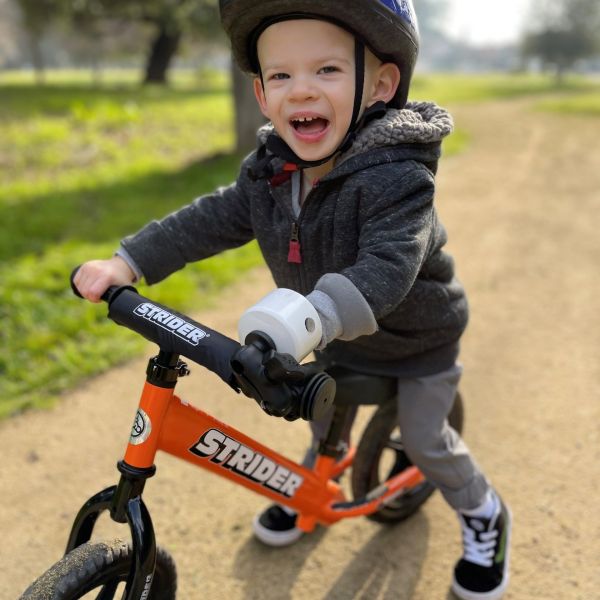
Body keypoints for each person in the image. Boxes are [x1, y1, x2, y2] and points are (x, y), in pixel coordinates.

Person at [73, 1, 511, 598]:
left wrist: (310, 317)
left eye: (327, 70)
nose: (300, 90)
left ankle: (484, 512)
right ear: (260, 93)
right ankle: (309, 492)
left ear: (380, 84)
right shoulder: (270, 172)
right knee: (323, 419)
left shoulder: (399, 178)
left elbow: (389, 268)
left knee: (427, 439)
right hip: (328, 335)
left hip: (415, 339)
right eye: (281, 75)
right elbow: (208, 220)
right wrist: (128, 261)